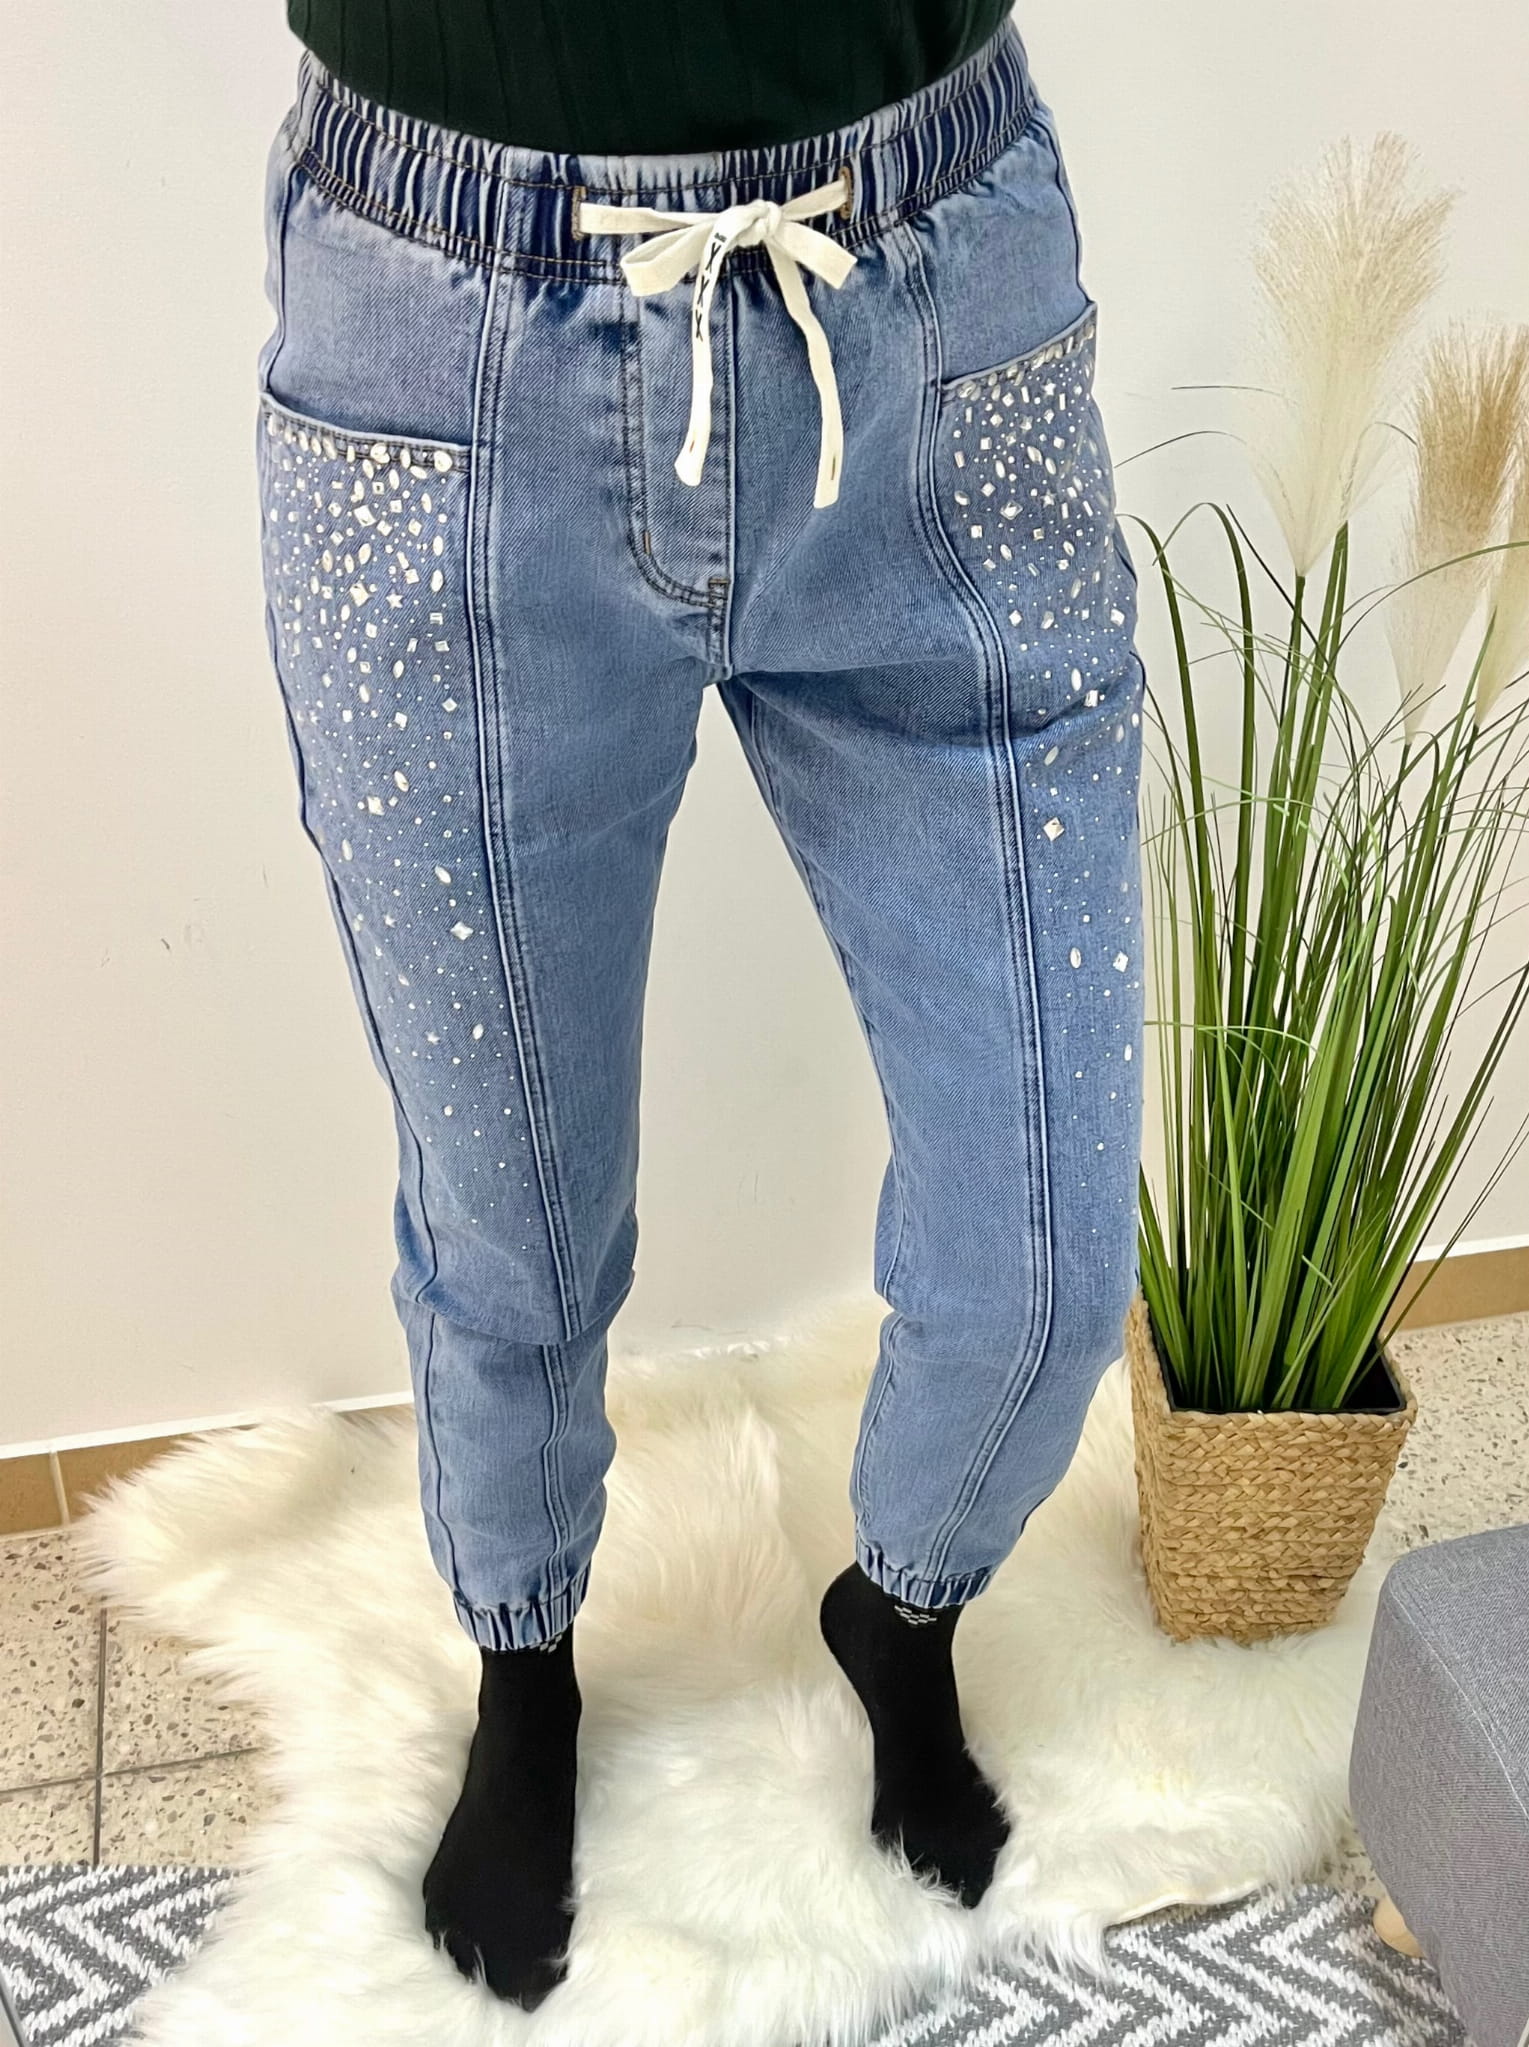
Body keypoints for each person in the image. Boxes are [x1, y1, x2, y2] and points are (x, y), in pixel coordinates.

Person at [256, 0, 1145, 2011]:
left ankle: (900, 1613)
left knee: (1044, 1253)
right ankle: (524, 1669)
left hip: (933, 305)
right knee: (513, 1210)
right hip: (445, 351)